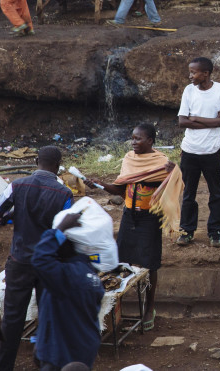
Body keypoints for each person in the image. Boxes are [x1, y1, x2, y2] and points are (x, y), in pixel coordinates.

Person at [83, 124, 175, 330]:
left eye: (138, 139)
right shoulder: (129, 160)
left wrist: (174, 172)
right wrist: (100, 184)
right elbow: (121, 190)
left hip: (150, 218)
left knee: (149, 264)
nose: (133, 142)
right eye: (132, 138)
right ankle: (118, 306)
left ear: (150, 141)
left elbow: (175, 188)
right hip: (129, 216)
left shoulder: (162, 163)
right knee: (121, 261)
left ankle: (150, 306)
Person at [0, 146, 72, 371]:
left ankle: (3, 365)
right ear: (58, 166)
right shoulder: (64, 193)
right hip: (49, 263)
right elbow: (66, 233)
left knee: (13, 318)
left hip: (20, 261)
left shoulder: (16, 185)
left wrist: (12, 218)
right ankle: (45, 363)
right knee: (47, 315)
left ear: (36, 161)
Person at [30, 213, 104, 371]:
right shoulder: (86, 271)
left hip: (62, 352)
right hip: (78, 346)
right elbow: (55, 312)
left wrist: (59, 229)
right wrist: (41, 341)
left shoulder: (67, 276)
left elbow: (40, 259)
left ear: (68, 246)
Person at [176, 57, 220, 247]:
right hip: (190, 150)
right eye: (190, 72)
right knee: (188, 193)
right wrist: (212, 121)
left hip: (212, 150)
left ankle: (215, 231)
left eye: (193, 72)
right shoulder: (189, 90)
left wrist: (196, 118)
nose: (190, 76)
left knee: (216, 193)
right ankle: (186, 230)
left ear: (205, 74)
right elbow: (182, 122)